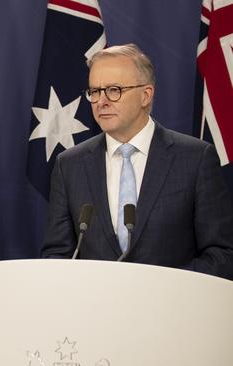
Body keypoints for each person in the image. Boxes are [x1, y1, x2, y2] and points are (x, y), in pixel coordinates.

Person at [41, 43, 233, 280]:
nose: (102, 101)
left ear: (146, 95)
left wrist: (162, 289)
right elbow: (57, 255)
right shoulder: (69, 164)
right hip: (96, 310)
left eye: (113, 90)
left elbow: (222, 254)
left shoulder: (195, 159)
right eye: (95, 91)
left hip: (171, 310)